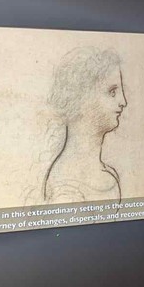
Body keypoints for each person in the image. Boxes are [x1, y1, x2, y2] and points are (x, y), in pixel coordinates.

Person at [41, 47, 127, 203]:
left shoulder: (107, 173)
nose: (123, 102)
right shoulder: (66, 188)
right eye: (112, 92)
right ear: (82, 98)